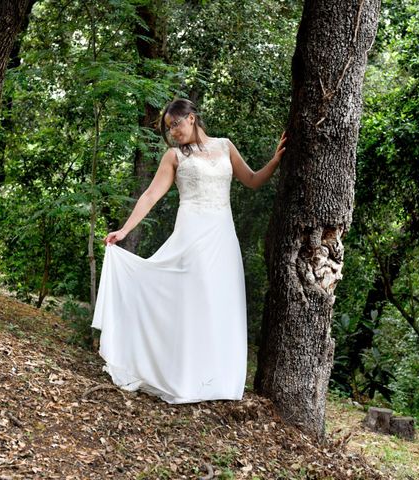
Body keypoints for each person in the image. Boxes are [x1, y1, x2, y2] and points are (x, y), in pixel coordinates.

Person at [91, 98, 286, 404]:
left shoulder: (225, 146)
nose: (173, 132)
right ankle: (183, 376)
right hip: (192, 234)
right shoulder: (173, 156)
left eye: (176, 125)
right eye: (169, 128)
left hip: (222, 235)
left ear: (192, 118)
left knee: (220, 301)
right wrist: (125, 230)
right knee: (192, 300)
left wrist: (275, 161)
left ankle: (215, 380)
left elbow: (251, 180)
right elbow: (152, 193)